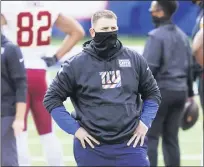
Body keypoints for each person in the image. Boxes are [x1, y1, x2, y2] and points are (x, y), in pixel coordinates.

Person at [43, 9, 161, 166]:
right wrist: (75, 129)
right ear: (92, 32)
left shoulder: (134, 59)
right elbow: (51, 98)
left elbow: (152, 93)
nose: (110, 33)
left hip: (130, 144)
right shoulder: (76, 65)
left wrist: (145, 122)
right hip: (91, 147)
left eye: (113, 29)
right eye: (105, 29)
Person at [1, 1, 85, 166]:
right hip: (40, 73)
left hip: (16, 74)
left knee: (19, 131)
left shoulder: (11, 5)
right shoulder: (48, 5)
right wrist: (55, 57)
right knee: (47, 131)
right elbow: (78, 31)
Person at [143, 1, 195, 166]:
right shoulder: (183, 36)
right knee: (171, 138)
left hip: (160, 93)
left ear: (159, 11)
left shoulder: (155, 36)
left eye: (152, 9)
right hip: (180, 93)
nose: (150, 11)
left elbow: (148, 69)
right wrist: (190, 95)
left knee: (150, 137)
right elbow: (190, 68)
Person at [1, 34, 27, 166]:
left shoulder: (10, 49)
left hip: (5, 113)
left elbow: (21, 84)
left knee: (7, 160)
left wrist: (19, 118)